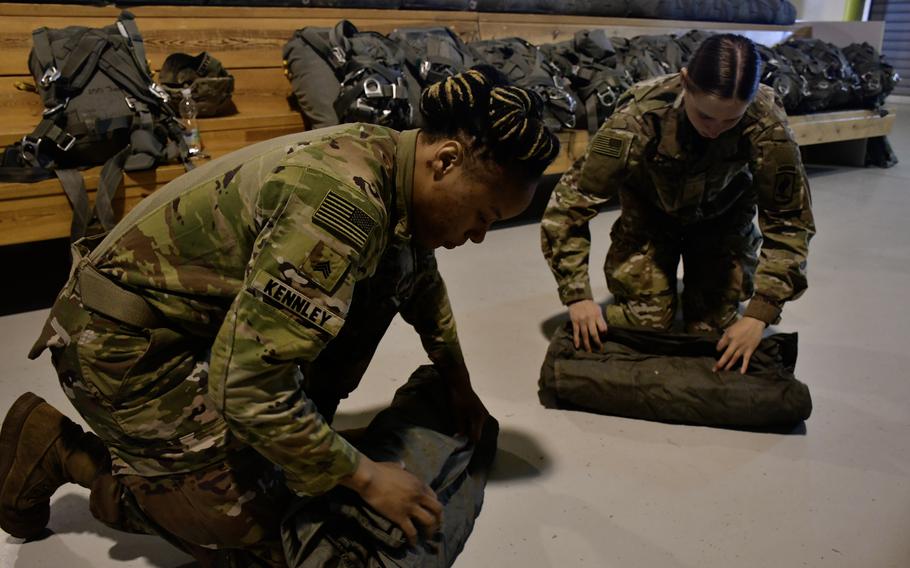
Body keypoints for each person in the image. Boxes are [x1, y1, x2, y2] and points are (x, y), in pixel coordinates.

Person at [0, 67, 558, 566]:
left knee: (388, 282)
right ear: (447, 161)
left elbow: (421, 283)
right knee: (256, 525)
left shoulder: (394, 160)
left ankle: (267, 448)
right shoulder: (341, 205)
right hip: (123, 349)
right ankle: (67, 453)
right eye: (483, 215)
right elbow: (245, 386)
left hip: (196, 330)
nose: (481, 236)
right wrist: (366, 477)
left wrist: (458, 384)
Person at [541, 34, 815, 373]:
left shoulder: (767, 125)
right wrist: (578, 295)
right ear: (686, 82)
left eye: (730, 120)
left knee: (712, 333)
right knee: (646, 325)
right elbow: (569, 206)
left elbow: (790, 221)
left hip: (723, 217)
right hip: (651, 214)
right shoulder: (637, 118)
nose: (715, 130)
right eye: (705, 116)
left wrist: (761, 313)